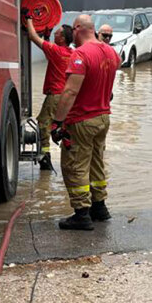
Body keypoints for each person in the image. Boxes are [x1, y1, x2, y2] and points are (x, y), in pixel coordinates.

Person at [51, 13, 119, 230]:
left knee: (75, 165)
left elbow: (70, 91)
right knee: (96, 162)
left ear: (78, 28)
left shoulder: (81, 54)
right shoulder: (111, 52)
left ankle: (81, 214)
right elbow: (107, 89)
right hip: (103, 117)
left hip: (82, 119)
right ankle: (99, 207)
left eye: (73, 29)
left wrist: (57, 122)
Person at [24, 17, 73, 170]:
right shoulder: (70, 53)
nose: (54, 35)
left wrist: (28, 19)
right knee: (64, 126)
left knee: (43, 124)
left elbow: (32, 37)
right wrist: (47, 36)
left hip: (55, 96)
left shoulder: (57, 51)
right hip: (66, 96)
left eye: (57, 33)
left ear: (63, 38)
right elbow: (50, 55)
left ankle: (46, 157)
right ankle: (69, 155)